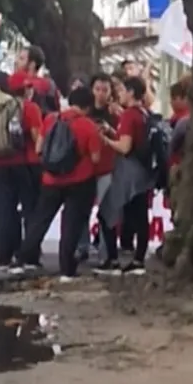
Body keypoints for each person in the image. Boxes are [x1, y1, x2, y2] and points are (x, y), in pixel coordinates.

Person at [18, 86, 101, 281]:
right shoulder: (88, 126)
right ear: (88, 107)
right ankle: (67, 268)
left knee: (40, 220)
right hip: (80, 182)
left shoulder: (51, 120)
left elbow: (39, 148)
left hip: (51, 180)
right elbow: (96, 158)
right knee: (71, 225)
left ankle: (25, 258)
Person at [0, 71, 42, 272]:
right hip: (22, 162)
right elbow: (34, 138)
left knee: (5, 210)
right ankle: (29, 255)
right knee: (30, 209)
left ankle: (5, 255)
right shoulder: (28, 108)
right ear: (25, 90)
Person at [99, 76, 154, 275]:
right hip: (143, 172)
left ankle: (112, 259)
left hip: (128, 173)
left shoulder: (129, 115)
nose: (119, 95)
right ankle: (138, 259)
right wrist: (113, 132)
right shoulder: (144, 113)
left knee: (107, 212)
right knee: (139, 217)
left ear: (131, 92)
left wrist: (105, 139)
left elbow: (125, 146)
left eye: (122, 90)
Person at [81, 73, 118, 268]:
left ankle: (105, 252)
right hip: (85, 168)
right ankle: (82, 248)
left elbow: (124, 138)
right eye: (97, 89)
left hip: (107, 168)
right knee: (81, 211)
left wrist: (110, 129)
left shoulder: (116, 113)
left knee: (106, 211)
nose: (101, 94)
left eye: (105, 90)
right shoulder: (84, 111)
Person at [12, 45, 60, 114]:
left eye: (21, 59)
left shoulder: (24, 84)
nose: (16, 61)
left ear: (32, 64)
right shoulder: (50, 85)